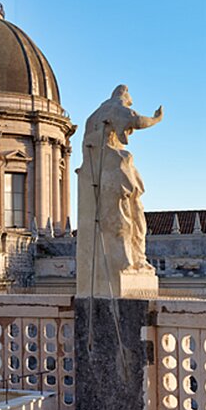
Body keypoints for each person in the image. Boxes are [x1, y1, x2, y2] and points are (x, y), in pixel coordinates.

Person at [80, 85, 163, 272]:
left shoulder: (92, 117)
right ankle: (129, 260)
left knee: (128, 217)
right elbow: (137, 120)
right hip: (112, 169)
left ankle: (133, 259)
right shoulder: (114, 107)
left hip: (100, 171)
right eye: (129, 102)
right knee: (127, 218)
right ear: (123, 96)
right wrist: (157, 119)